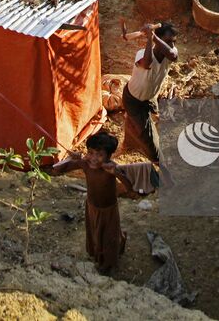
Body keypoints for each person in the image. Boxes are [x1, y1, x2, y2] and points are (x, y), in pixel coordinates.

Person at [47, 132, 134, 274]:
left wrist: (116, 173)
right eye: (91, 153)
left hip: (108, 210)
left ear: (109, 156)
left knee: (108, 237)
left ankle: (108, 264)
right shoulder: (85, 164)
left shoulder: (111, 168)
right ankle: (105, 250)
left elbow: (129, 186)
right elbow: (58, 169)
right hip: (92, 207)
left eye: (99, 154)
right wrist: (70, 158)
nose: (93, 158)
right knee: (95, 233)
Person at [121, 22, 177, 162]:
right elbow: (147, 63)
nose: (172, 45)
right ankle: (157, 160)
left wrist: (153, 37)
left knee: (134, 121)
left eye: (174, 42)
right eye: (168, 41)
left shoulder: (171, 52)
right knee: (148, 136)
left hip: (149, 96)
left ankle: (130, 143)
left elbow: (173, 55)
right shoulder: (142, 54)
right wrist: (150, 39)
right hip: (133, 99)